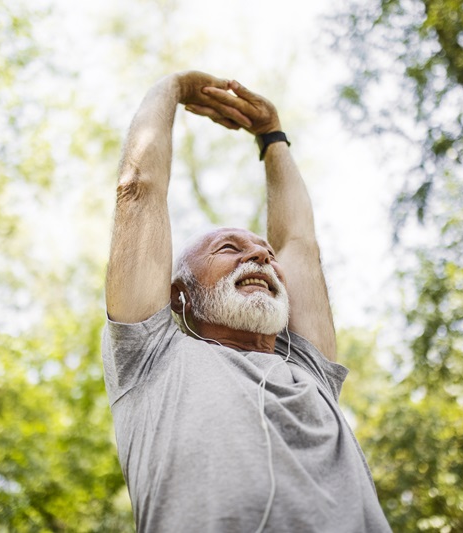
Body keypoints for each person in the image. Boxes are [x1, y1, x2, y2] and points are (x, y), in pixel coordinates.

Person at [102, 71, 391, 532]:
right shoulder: (151, 358)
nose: (259, 254)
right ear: (179, 296)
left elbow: (299, 243)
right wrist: (173, 88)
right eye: (229, 249)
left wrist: (272, 134)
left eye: (264, 254)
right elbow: (139, 188)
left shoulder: (307, 368)